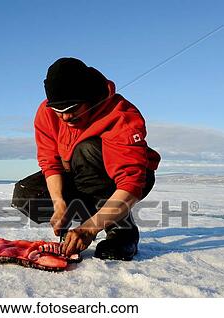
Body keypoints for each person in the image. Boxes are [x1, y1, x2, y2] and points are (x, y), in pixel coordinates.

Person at [11, 57, 161, 261]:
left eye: (72, 109)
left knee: (86, 151)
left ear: (89, 98)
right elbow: (50, 162)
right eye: (59, 111)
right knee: (26, 195)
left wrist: (89, 229)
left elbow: (131, 182)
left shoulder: (120, 116)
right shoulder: (47, 112)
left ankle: (122, 231)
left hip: (128, 179)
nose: (65, 117)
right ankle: (81, 222)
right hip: (77, 172)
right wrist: (60, 204)